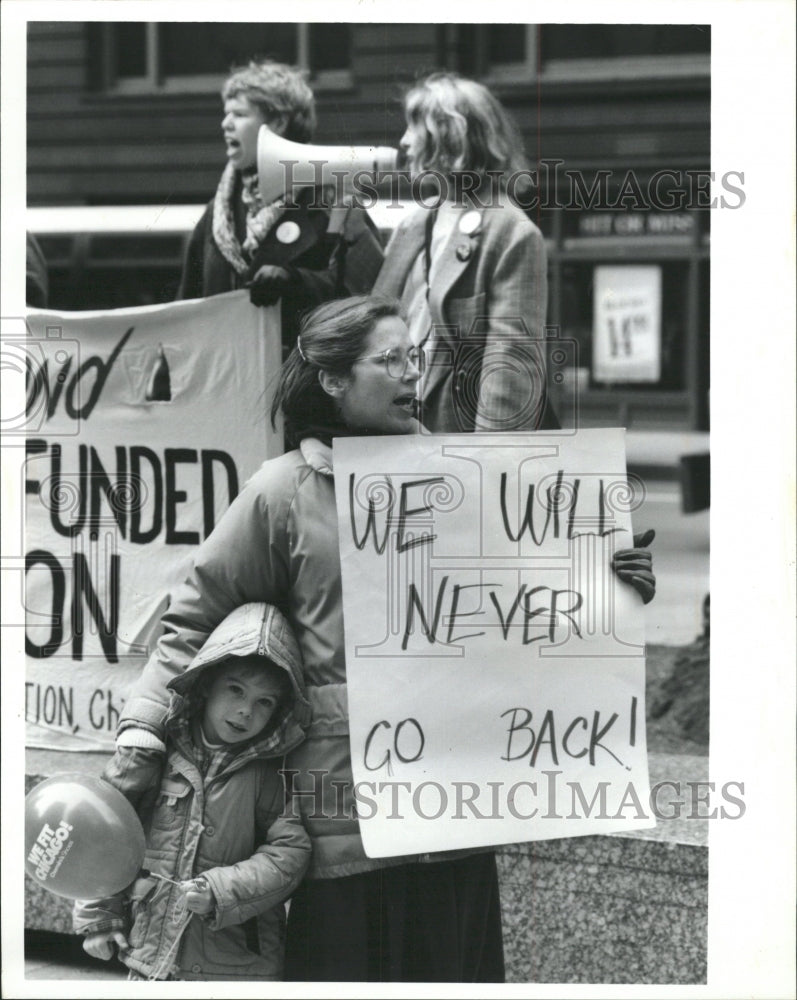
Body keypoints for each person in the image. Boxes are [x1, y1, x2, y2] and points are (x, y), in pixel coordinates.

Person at [110, 296, 656, 982]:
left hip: (460, 807)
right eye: (389, 359)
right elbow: (191, 623)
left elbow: (526, 615)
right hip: (345, 822)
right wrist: (141, 732)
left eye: (415, 358)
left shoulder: (473, 480)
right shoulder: (281, 494)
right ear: (334, 380)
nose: (411, 375)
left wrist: (611, 584)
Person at [73, 602, 311, 982]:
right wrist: (100, 917)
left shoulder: (272, 772)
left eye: (264, 702)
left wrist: (221, 891)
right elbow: (105, 834)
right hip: (150, 959)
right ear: (205, 686)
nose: (246, 711)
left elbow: (290, 853)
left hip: (235, 967)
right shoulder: (159, 754)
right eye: (236, 690)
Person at [373, 71, 557, 433]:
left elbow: (510, 365)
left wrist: (488, 461)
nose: (404, 142)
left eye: (415, 128)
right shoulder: (415, 222)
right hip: (396, 430)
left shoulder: (511, 232)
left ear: (450, 137)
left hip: (457, 436)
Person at [178, 59, 384, 350]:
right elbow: (189, 305)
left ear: (277, 122)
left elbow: (365, 295)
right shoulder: (218, 213)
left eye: (239, 114)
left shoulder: (333, 202)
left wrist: (296, 281)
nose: (225, 124)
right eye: (227, 113)